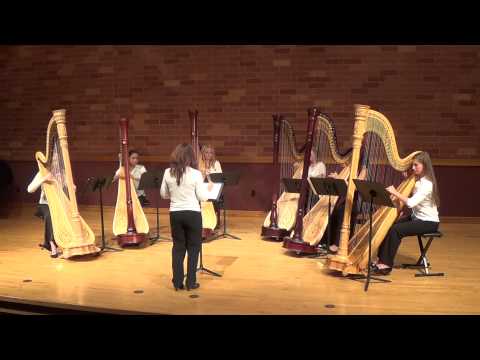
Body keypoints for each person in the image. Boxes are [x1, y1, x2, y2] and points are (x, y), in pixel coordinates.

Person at [371, 151, 440, 275]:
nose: (413, 168)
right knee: (390, 226)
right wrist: (405, 180)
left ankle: (386, 265)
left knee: (396, 230)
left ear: (424, 166)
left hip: (428, 222)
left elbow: (411, 203)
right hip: (417, 218)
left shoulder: (427, 184)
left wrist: (395, 192)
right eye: (412, 165)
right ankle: (380, 259)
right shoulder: (418, 181)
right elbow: (414, 192)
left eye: (416, 165)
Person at [160, 143, 211, 291]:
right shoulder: (195, 174)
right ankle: (191, 283)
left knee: (178, 247)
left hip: (175, 214)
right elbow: (202, 197)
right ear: (190, 157)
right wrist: (207, 191)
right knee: (194, 248)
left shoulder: (167, 172)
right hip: (193, 214)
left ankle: (177, 282)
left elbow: (163, 194)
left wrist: (176, 193)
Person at [27, 171, 58, 257]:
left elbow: (67, 189)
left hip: (59, 204)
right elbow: (30, 189)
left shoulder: (63, 172)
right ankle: (52, 243)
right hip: (45, 204)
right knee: (50, 215)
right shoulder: (42, 172)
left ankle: (66, 240)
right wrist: (43, 179)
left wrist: (73, 188)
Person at [200, 144, 223, 229]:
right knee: (202, 197)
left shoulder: (216, 163)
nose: (209, 155)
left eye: (211, 153)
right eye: (206, 152)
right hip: (202, 188)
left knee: (214, 198)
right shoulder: (199, 164)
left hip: (214, 188)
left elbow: (219, 177)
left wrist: (210, 175)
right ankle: (203, 220)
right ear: (203, 153)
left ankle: (213, 221)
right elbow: (197, 180)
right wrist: (203, 173)